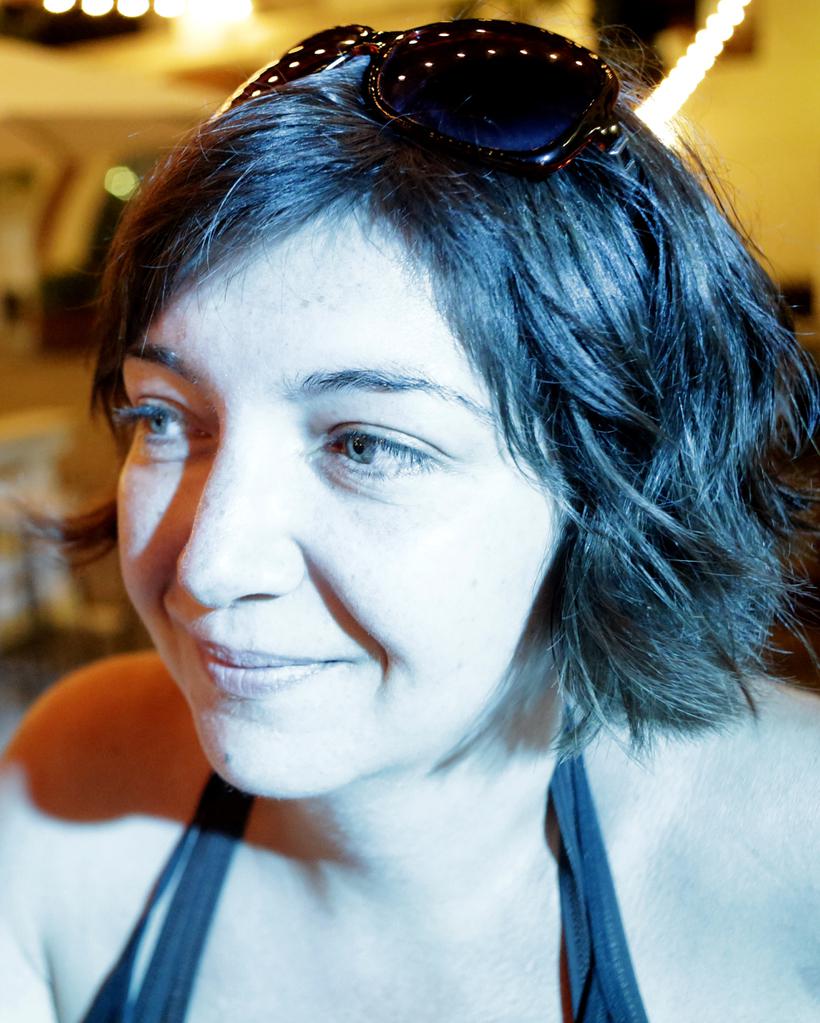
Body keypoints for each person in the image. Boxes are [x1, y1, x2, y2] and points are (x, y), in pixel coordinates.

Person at [1, 19, 819, 1023]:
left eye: (366, 445)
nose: (209, 565)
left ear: (608, 479)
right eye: (165, 418)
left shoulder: (793, 850)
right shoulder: (66, 784)